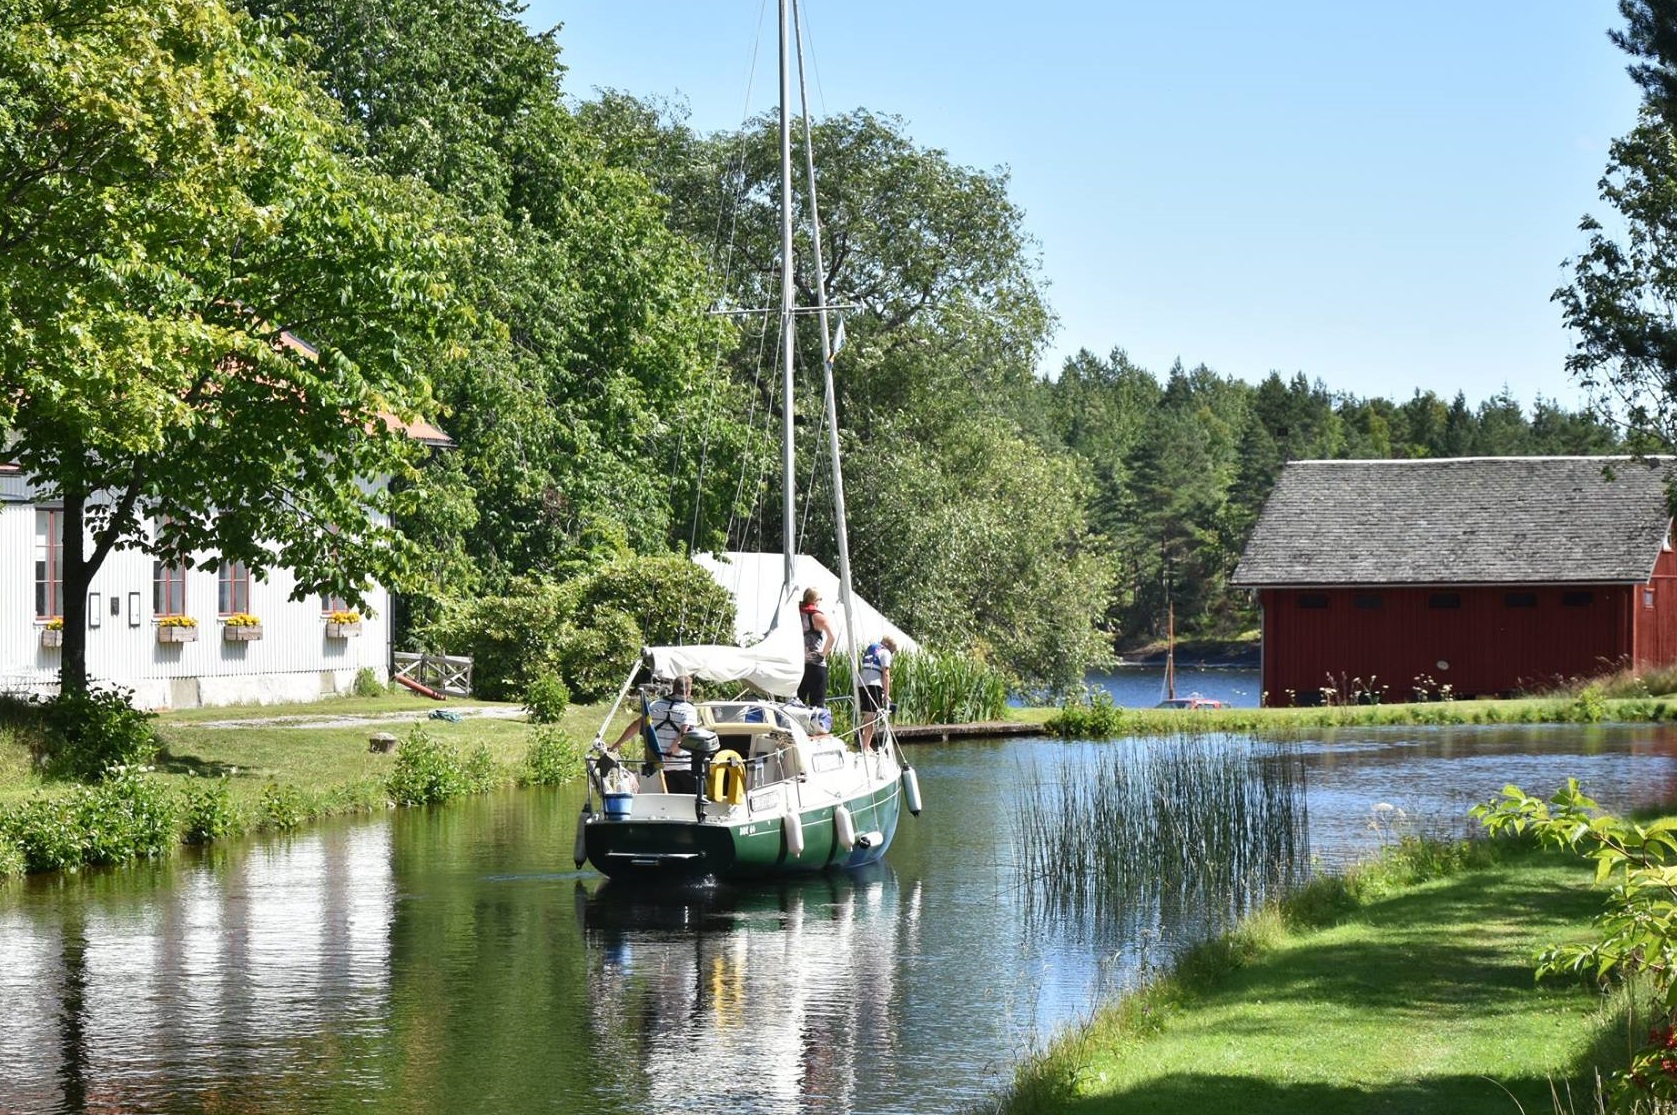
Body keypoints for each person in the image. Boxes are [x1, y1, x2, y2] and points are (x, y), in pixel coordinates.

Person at [613, 674, 699, 792]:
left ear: (673, 688)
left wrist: (616, 745)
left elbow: (635, 726)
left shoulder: (654, 705)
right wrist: (668, 755)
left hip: (657, 767)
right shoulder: (688, 709)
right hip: (681, 766)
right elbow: (683, 735)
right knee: (692, 800)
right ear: (689, 691)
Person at [797, 587, 836, 707]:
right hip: (816, 664)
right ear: (814, 600)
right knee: (817, 704)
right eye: (820, 599)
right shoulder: (818, 617)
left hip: (800, 664)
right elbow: (832, 637)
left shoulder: (796, 614)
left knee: (798, 703)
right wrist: (823, 654)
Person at [859, 635, 897, 751]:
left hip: (861, 684)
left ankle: (864, 744)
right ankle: (866, 747)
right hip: (874, 684)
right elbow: (886, 674)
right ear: (889, 647)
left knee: (866, 715)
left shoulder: (871, 649)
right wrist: (886, 694)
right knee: (871, 716)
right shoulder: (885, 652)